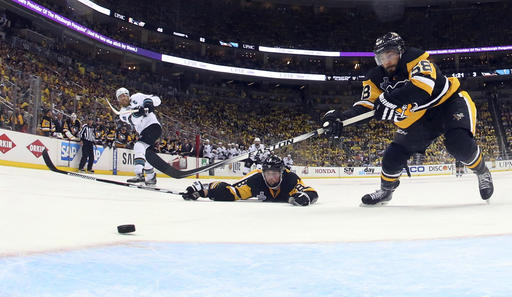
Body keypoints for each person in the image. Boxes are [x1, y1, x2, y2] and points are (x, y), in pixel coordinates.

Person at [321, 32, 494, 206]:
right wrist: (341, 119)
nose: (386, 61)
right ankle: (386, 192)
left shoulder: (416, 58)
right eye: (382, 57)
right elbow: (365, 108)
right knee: (393, 157)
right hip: (417, 118)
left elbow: (422, 88)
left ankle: (482, 172)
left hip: (448, 104)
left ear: (401, 51)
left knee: (458, 144)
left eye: (390, 55)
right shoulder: (374, 78)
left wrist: (389, 100)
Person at [182, 155, 319, 206]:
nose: (271, 178)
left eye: (275, 173)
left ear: (282, 173)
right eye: (268, 174)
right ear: (263, 173)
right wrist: (202, 190)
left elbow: (311, 192)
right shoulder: (256, 179)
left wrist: (305, 197)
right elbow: (230, 191)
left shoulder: (290, 179)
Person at [116, 87, 162, 186]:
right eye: (120, 97)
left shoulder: (138, 96)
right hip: (144, 131)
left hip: (153, 126)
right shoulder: (122, 113)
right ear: (118, 100)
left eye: (124, 95)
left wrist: (149, 102)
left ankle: (139, 174)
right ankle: (151, 177)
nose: (123, 98)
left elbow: (158, 100)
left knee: (138, 145)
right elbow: (134, 121)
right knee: (146, 154)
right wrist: (138, 114)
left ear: (128, 95)